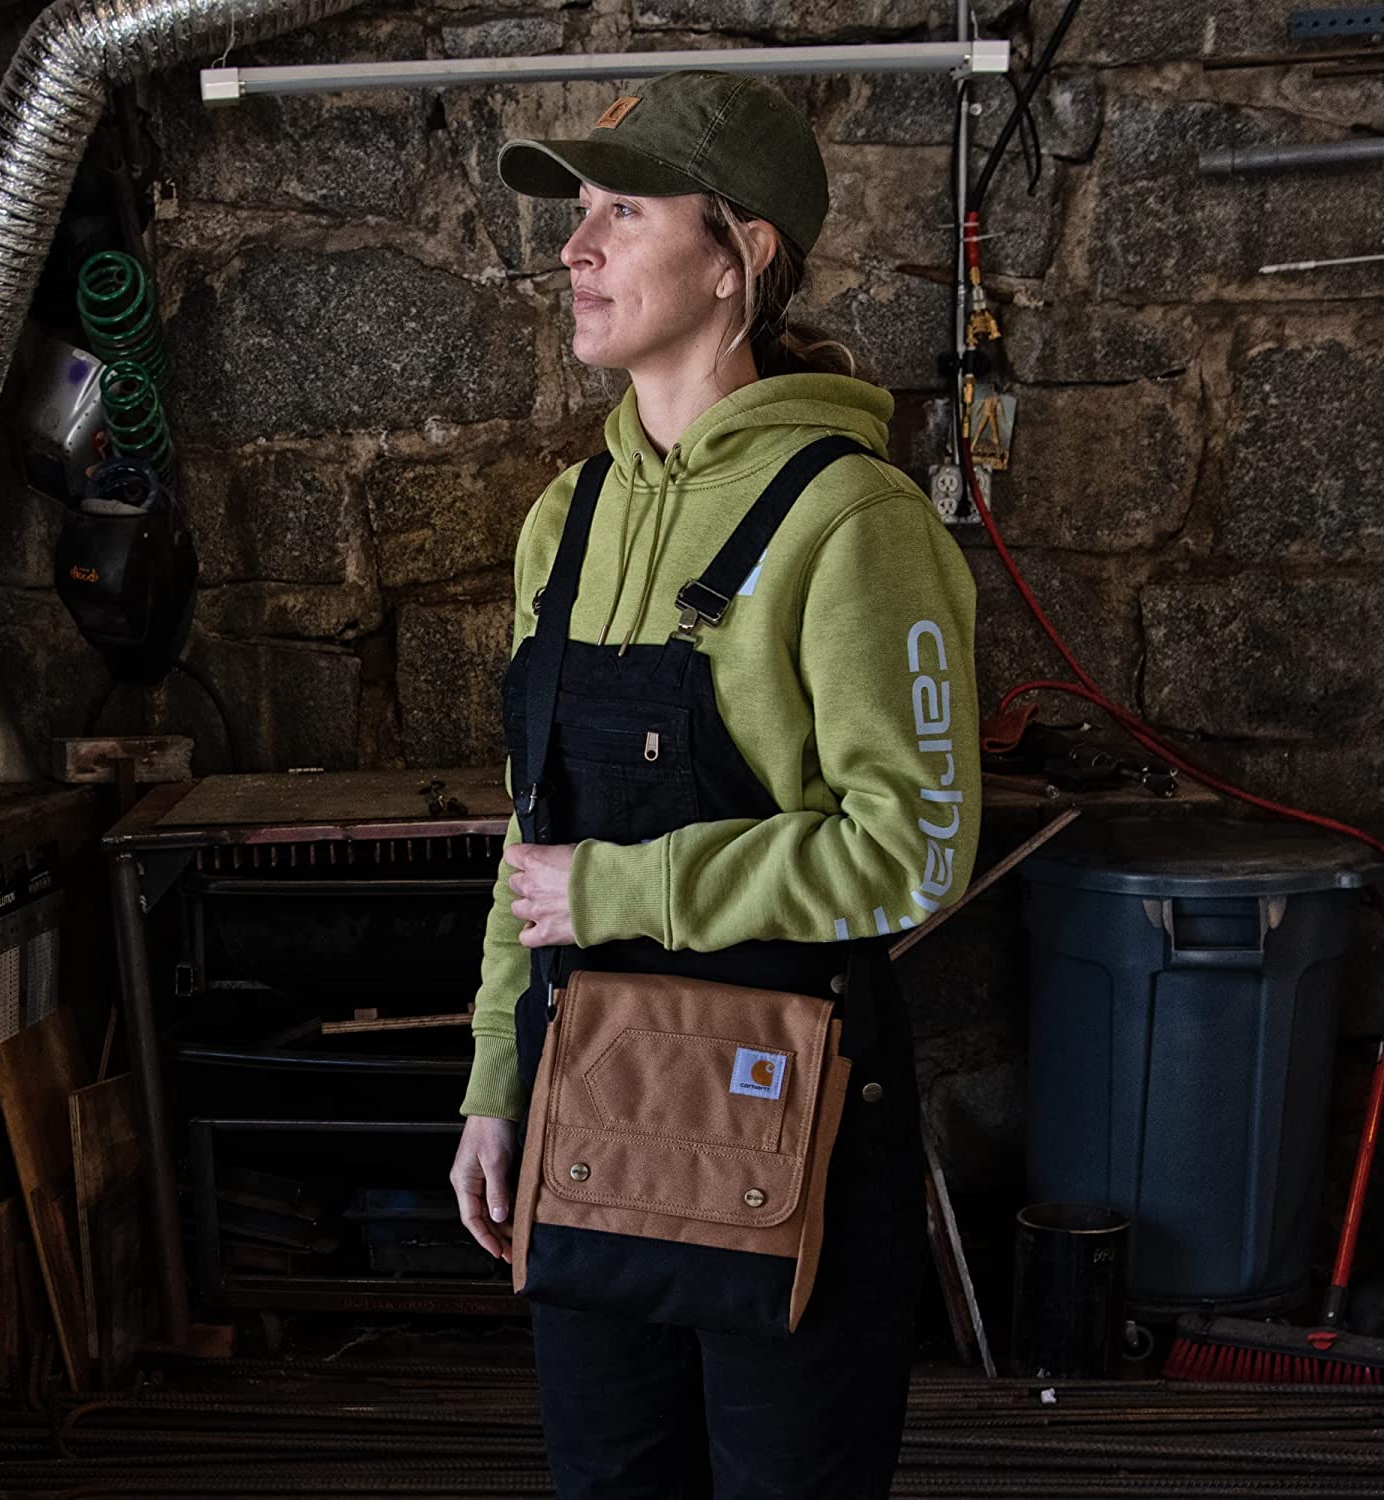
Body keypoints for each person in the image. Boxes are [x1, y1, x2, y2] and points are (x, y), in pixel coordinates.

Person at [449, 68, 981, 1498]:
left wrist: (626, 889)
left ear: (740, 254)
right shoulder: (565, 522)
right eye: (577, 212)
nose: (575, 248)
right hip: (590, 1110)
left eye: (623, 212)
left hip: (787, 1121)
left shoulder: (853, 521)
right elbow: (533, 842)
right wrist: (497, 1082)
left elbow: (913, 854)